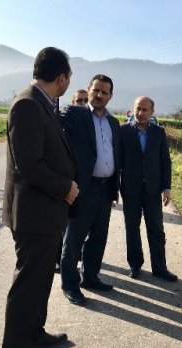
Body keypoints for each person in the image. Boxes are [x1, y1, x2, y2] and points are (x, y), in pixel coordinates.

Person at [2, 47, 78, 348]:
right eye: (67, 79)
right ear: (61, 77)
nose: (67, 84)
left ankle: (33, 332)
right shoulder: (28, 105)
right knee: (28, 283)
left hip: (47, 213)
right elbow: (29, 164)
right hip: (33, 214)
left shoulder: (44, 103)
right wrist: (66, 187)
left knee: (42, 278)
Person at [59, 74, 120, 305]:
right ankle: (70, 285)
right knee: (73, 238)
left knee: (98, 237)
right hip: (82, 188)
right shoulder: (75, 114)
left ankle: (91, 277)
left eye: (104, 92)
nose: (99, 95)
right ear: (88, 89)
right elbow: (58, 125)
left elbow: (116, 156)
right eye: (96, 90)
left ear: (110, 96)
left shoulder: (113, 122)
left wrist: (115, 188)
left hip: (105, 190)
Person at [119, 96, 177, 282]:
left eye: (145, 110)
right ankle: (135, 265)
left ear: (152, 112)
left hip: (153, 190)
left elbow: (165, 162)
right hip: (131, 189)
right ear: (133, 109)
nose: (141, 113)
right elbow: (117, 161)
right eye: (138, 109)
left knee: (156, 230)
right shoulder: (123, 131)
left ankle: (159, 268)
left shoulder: (159, 132)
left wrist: (166, 187)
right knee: (132, 229)